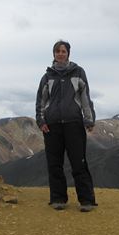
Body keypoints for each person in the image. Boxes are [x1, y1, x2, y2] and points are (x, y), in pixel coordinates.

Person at [35, 40, 98, 212]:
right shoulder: (47, 77)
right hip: (52, 126)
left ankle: (86, 200)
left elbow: (85, 98)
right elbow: (41, 101)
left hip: (74, 124)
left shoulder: (78, 73)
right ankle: (58, 199)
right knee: (54, 163)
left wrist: (89, 119)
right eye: (57, 51)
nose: (60, 54)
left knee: (79, 163)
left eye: (63, 51)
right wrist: (41, 121)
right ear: (54, 54)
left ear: (68, 53)